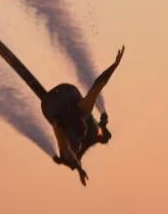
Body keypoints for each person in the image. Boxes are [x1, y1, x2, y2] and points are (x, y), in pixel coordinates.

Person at [40, 47, 124, 186]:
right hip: (55, 100)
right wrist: (78, 168)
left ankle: (70, 156)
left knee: (71, 150)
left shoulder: (82, 111)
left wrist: (114, 65)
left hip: (62, 95)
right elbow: (98, 85)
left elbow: (98, 85)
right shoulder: (64, 128)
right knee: (69, 150)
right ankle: (70, 157)